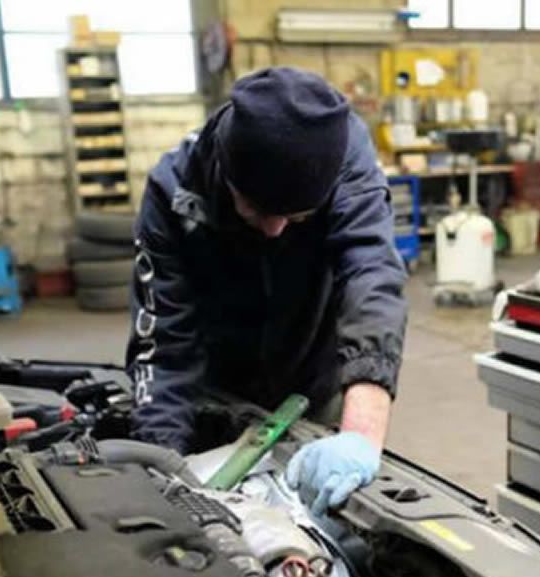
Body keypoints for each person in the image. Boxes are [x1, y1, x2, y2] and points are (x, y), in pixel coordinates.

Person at [125, 67, 408, 514]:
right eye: (257, 210)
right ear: (224, 166)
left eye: (297, 216)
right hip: (217, 394)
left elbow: (372, 275)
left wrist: (360, 434)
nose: (276, 231)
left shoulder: (346, 162)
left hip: (315, 385)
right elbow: (164, 347)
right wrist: (162, 468)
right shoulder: (173, 191)